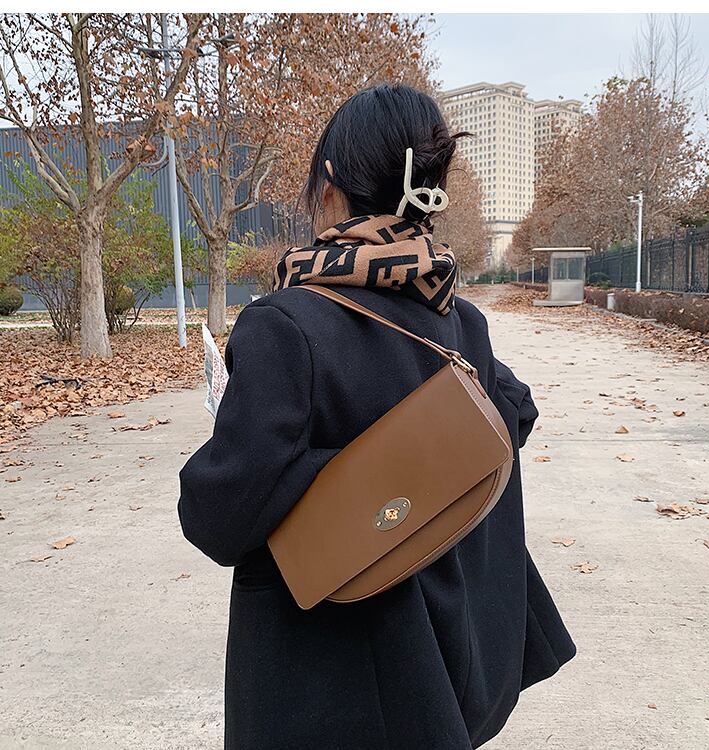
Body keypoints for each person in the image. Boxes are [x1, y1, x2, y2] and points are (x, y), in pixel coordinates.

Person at [177, 82, 576, 750]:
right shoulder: (459, 318)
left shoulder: (285, 326)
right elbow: (514, 413)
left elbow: (219, 518)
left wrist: (233, 426)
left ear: (330, 183)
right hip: (448, 667)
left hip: (328, 695)